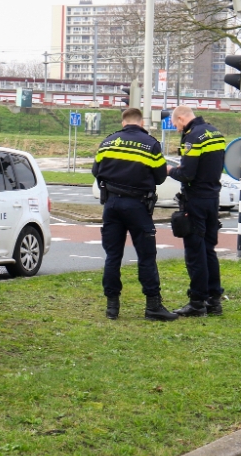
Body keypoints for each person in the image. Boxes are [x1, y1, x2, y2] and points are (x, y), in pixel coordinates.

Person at [92, 108, 178, 322]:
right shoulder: (150, 144)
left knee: (113, 256)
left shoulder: (108, 142)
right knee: (146, 257)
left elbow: (96, 171)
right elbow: (159, 177)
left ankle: (112, 307)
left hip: (111, 205)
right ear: (141, 123)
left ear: (123, 122)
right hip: (138, 206)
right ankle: (153, 306)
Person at [169, 106, 226, 317]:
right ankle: (214, 300)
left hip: (196, 200)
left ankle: (197, 302)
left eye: (176, 124)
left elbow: (187, 173)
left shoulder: (193, 137)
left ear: (182, 118)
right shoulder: (215, 132)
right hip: (213, 198)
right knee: (209, 250)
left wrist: (169, 170)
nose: (176, 129)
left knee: (195, 252)